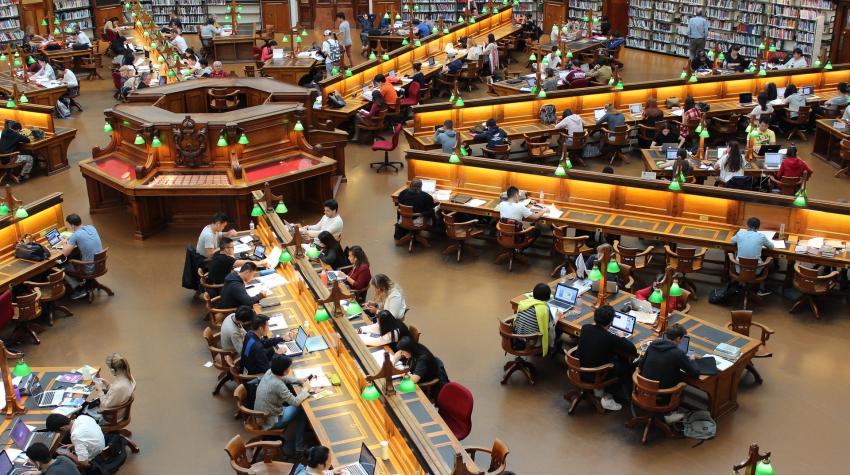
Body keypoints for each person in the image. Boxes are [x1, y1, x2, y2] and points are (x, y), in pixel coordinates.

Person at [575, 305, 637, 409]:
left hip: (579, 368)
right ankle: (611, 395)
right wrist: (622, 337)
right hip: (595, 373)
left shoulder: (585, 328)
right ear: (611, 322)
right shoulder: (609, 337)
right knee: (628, 366)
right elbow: (632, 350)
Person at [639, 323, 700, 423]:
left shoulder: (653, 344)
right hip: (662, 395)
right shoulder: (678, 353)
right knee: (682, 384)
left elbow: (640, 366)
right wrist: (692, 359)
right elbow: (695, 373)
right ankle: (669, 414)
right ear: (678, 339)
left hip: (643, 391)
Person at [254, 355, 312, 455]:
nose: (290, 368)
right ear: (285, 371)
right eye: (289, 367)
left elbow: (283, 379)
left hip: (261, 414)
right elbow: (295, 401)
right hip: (271, 420)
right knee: (301, 409)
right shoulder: (278, 385)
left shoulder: (270, 372)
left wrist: (299, 380)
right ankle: (299, 446)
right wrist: (306, 389)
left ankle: (301, 441)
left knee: (299, 407)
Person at [61, 213, 103, 299]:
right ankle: (86, 283)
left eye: (69, 225)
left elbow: (65, 253)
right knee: (77, 255)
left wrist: (64, 243)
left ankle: (78, 289)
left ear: (72, 226)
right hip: (100, 264)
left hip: (89, 268)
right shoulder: (91, 227)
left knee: (62, 266)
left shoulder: (75, 235)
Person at [513, 283, 558, 356]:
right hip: (531, 342)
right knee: (555, 329)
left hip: (517, 337)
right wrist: (556, 318)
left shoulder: (524, 303)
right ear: (548, 297)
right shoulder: (544, 309)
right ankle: (552, 349)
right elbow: (550, 328)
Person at [730, 216, 774, 286]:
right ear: (758, 227)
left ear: (747, 225)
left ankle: (740, 284)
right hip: (756, 271)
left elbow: (731, 241)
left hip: (739, 269)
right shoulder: (761, 236)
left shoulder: (740, 234)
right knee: (771, 262)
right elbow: (771, 247)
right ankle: (761, 289)